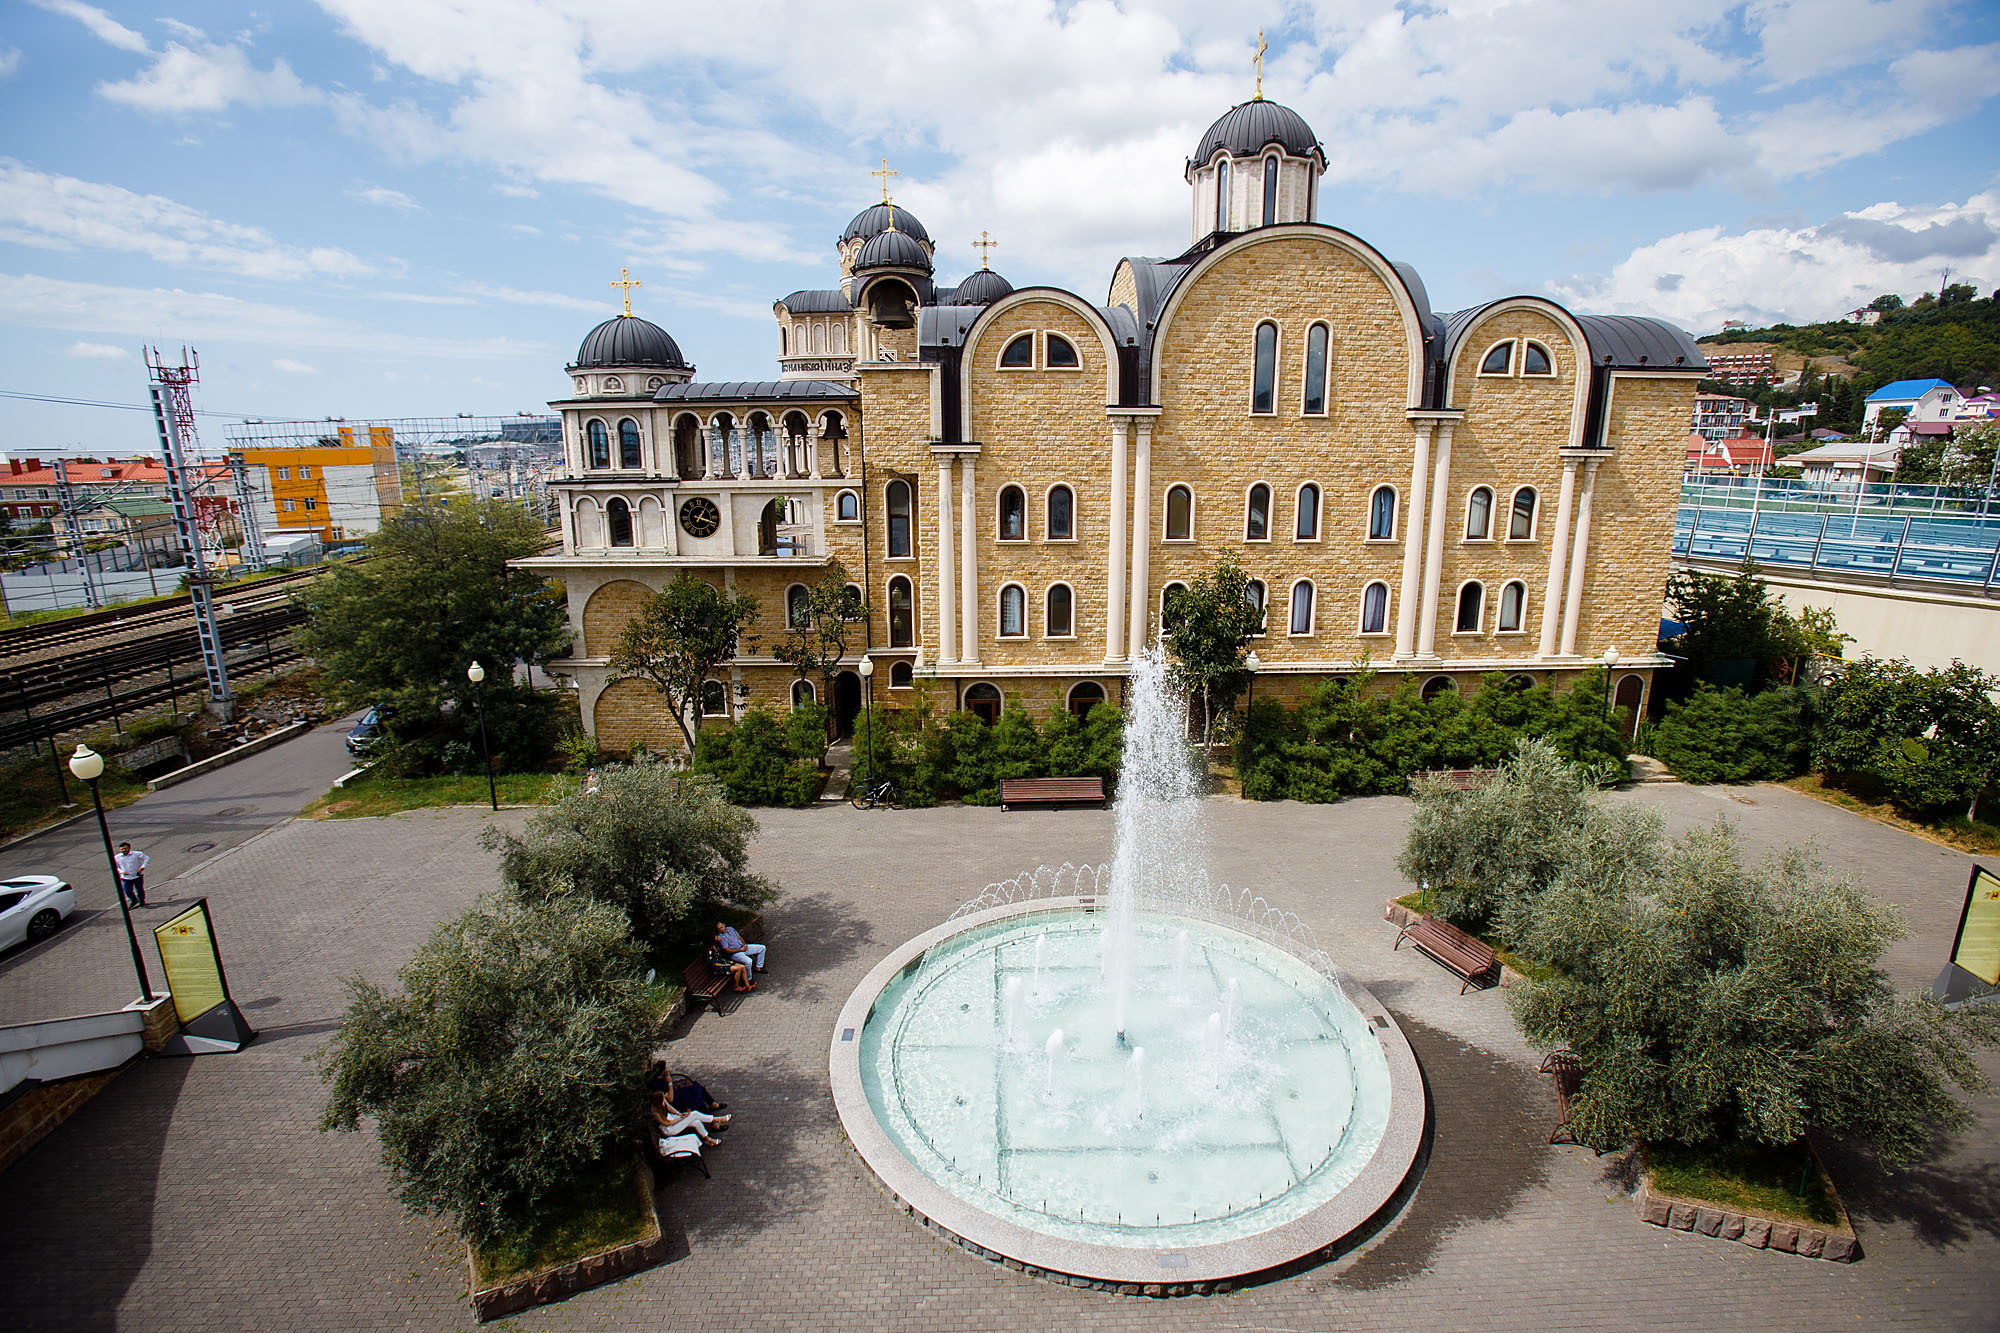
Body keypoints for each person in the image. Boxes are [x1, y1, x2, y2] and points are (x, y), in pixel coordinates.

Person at [651, 1091, 727, 1146]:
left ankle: (708, 1139)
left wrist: (679, 1114)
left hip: (673, 1119)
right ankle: (716, 1119)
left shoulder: (662, 1101)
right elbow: (668, 1123)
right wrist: (681, 1118)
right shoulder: (656, 1113)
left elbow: (669, 1107)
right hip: (670, 1129)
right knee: (694, 1114)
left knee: (696, 1122)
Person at [113, 842, 150, 908]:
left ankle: (141, 901)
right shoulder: (117, 857)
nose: (124, 850)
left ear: (129, 848)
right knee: (127, 891)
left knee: (139, 889)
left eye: (125, 848)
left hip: (137, 875)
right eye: (122, 849)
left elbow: (146, 858)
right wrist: (121, 871)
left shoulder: (136, 854)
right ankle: (134, 900)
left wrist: (143, 867)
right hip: (126, 877)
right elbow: (115, 866)